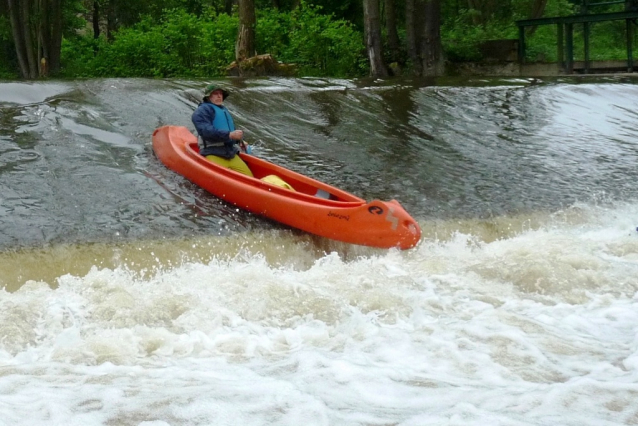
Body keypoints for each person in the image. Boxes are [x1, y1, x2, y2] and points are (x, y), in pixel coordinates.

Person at [191, 84, 253, 177]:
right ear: (208, 96)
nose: (219, 96)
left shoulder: (223, 110)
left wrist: (238, 140)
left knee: (250, 178)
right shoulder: (202, 111)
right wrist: (230, 135)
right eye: (215, 93)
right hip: (211, 152)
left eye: (221, 93)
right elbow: (206, 131)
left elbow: (228, 129)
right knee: (221, 177)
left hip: (230, 152)